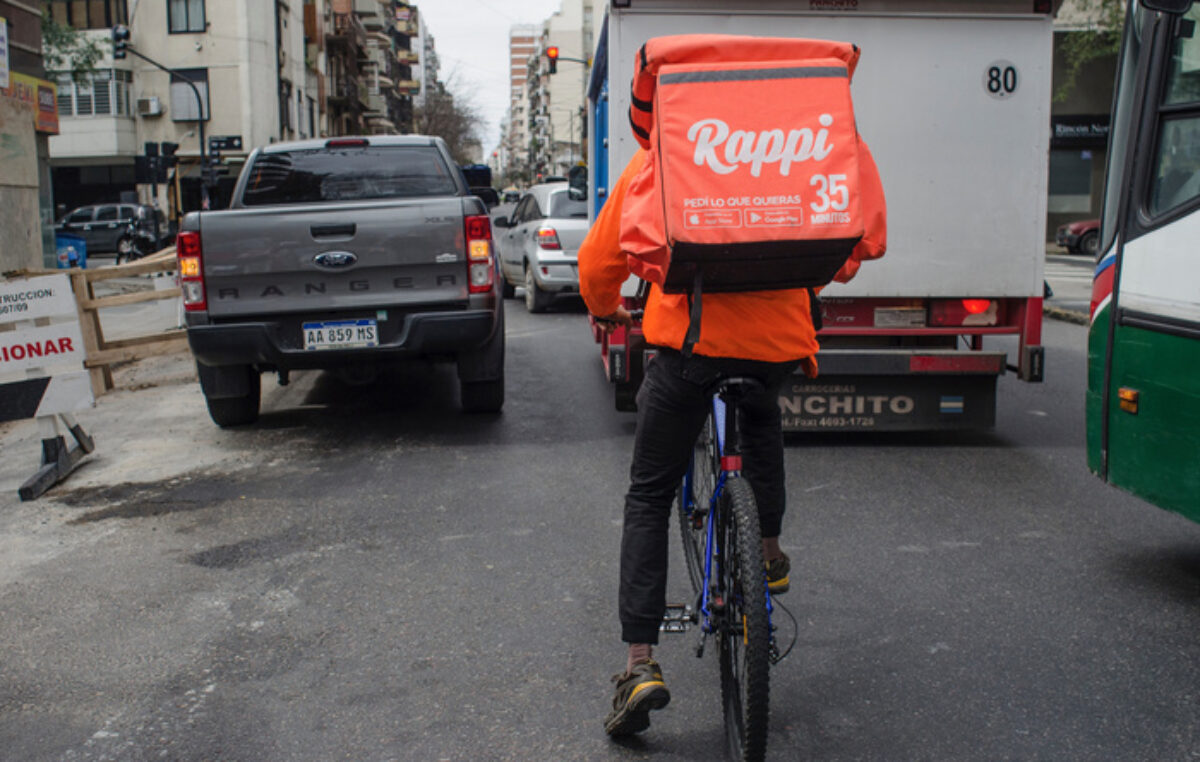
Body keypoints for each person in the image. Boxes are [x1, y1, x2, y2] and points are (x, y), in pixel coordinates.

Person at [579, 147, 833, 737]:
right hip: (777, 342)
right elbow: (842, 243)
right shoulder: (793, 148)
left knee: (648, 495)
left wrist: (604, 307)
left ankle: (640, 666)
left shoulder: (661, 155)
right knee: (761, 419)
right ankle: (768, 556)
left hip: (689, 346)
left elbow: (600, 259)